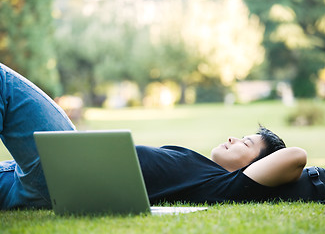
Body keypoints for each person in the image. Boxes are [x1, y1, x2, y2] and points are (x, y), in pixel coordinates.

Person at [0, 63, 307, 210]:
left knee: (3, 82)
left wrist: (259, 173)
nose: (233, 139)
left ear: (253, 168)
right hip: (26, 181)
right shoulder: (205, 173)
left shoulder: (226, 185)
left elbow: (295, 157)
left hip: (61, 176)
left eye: (246, 143)